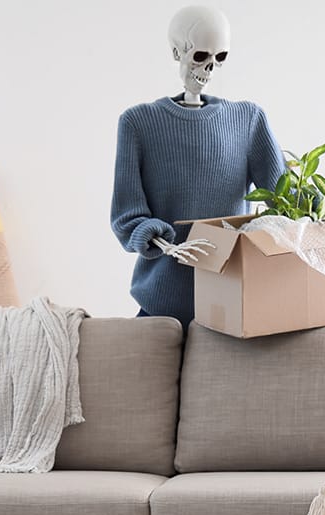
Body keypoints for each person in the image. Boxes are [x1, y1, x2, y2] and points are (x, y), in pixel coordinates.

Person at [110, 5, 284, 330]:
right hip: (161, 304)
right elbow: (126, 216)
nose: (209, 68)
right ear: (177, 52)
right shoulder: (138, 123)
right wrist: (163, 241)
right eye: (200, 54)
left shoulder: (247, 119)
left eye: (219, 57)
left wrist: (310, 208)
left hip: (231, 298)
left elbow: (284, 198)